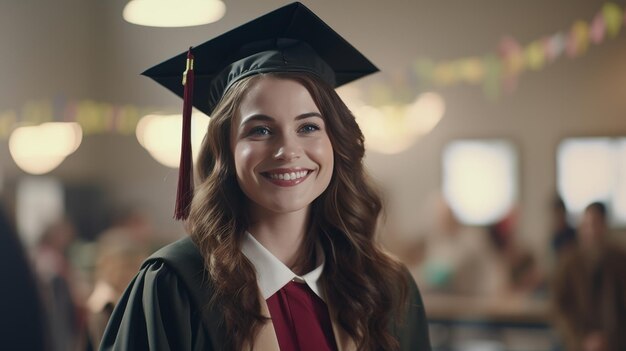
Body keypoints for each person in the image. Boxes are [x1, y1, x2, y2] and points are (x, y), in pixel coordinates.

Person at [101, 2, 430, 351]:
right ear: (225, 151)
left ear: (337, 141)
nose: (287, 150)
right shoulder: (176, 286)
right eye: (259, 130)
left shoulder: (385, 289)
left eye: (308, 126)